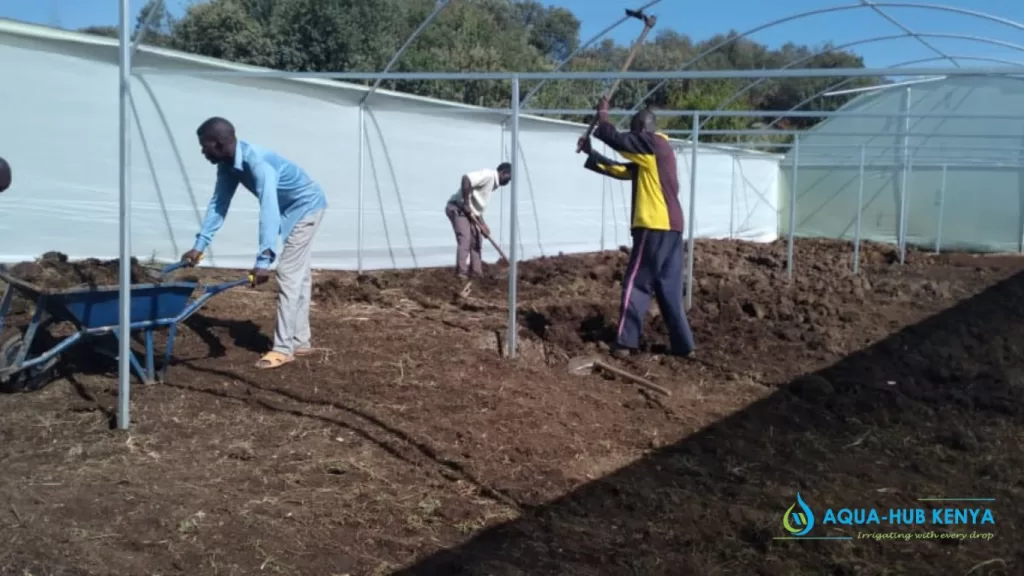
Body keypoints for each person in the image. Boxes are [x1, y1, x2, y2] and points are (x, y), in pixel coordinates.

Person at [182, 117, 328, 370]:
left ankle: (283, 349)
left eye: (204, 145)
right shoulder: (228, 166)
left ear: (218, 143)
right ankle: (300, 341)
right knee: (298, 276)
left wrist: (264, 260)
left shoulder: (257, 162)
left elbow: (268, 209)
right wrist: (200, 245)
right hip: (289, 210)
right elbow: (219, 204)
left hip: (306, 207)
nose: (202, 151)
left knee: (288, 275)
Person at [578, 98, 695, 358]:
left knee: (636, 283)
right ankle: (683, 345)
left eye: (634, 132)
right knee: (669, 289)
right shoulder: (655, 155)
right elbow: (621, 170)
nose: (632, 137)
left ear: (642, 129)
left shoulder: (653, 144)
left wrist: (603, 116)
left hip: (654, 225)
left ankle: (625, 342)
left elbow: (619, 141)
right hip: (672, 228)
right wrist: (591, 154)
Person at [444, 162, 512, 278]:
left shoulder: (492, 186)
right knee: (465, 239)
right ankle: (461, 274)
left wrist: (483, 225)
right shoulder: (489, 175)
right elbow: (466, 178)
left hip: (470, 213)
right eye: (509, 177)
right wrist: (465, 203)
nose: (509, 181)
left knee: (477, 240)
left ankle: (476, 273)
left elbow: (476, 209)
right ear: (503, 172)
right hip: (457, 208)